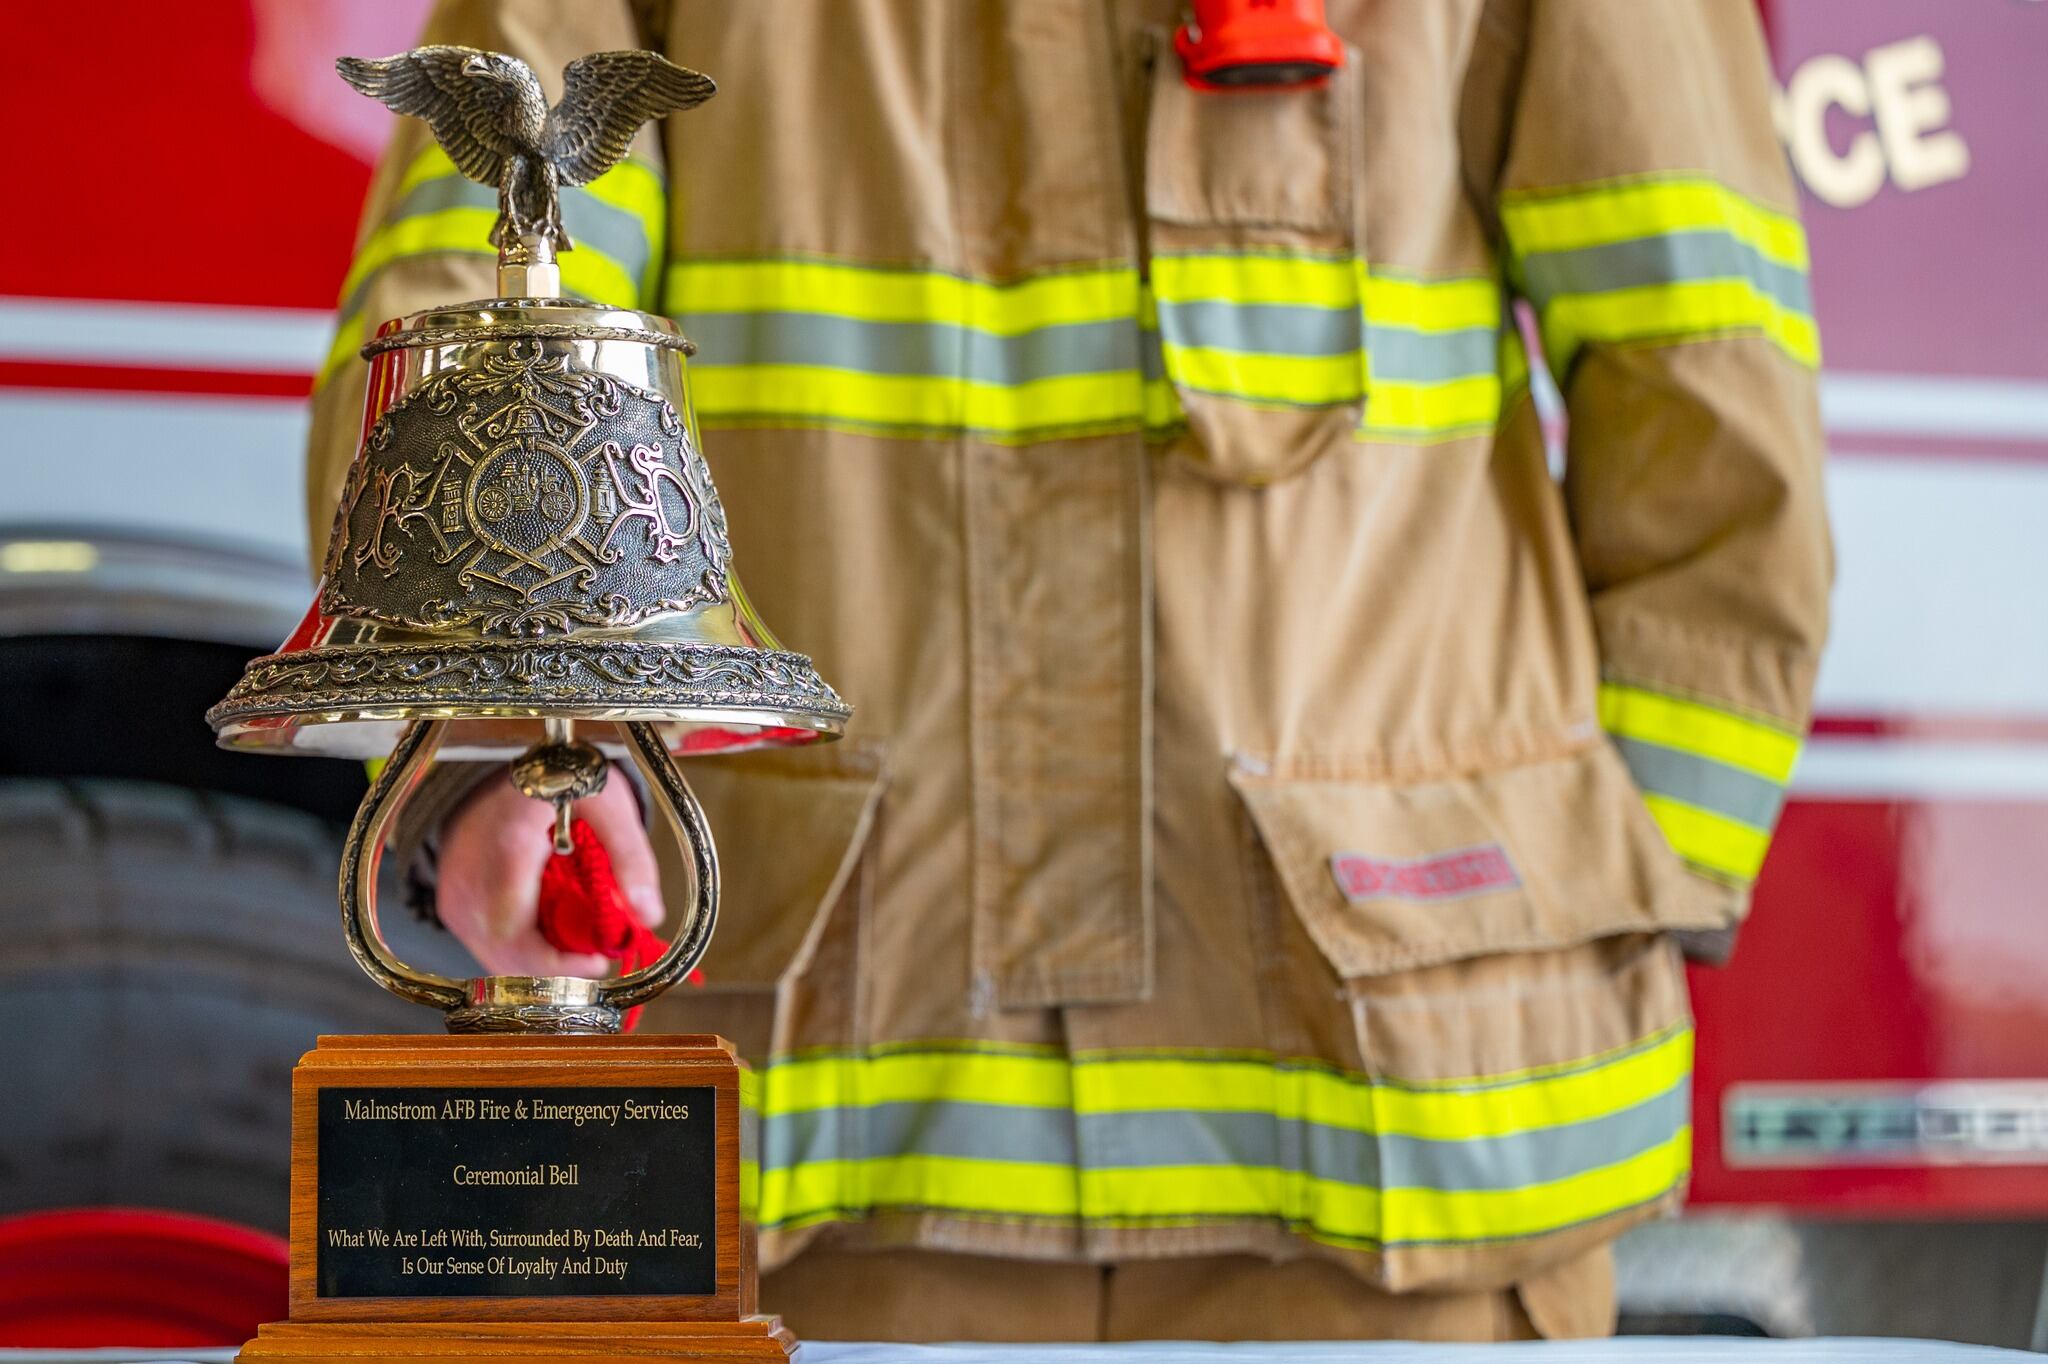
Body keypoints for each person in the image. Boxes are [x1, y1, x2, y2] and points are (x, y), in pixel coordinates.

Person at [308, 0, 1830, 1342]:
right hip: (857, 1174)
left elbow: (1708, 425)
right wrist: (528, 750)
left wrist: (1614, 891)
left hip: (1368, 1171)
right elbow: (491, 289)